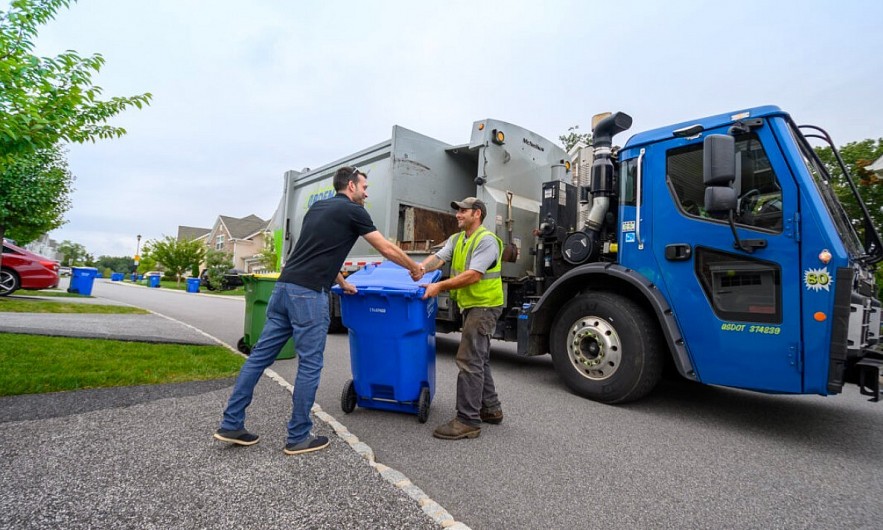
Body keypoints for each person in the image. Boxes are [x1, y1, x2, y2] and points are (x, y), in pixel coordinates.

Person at [214, 166, 424, 455]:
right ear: (351, 186)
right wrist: (414, 268)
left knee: (259, 357)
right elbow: (385, 248)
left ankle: (231, 423)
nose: (366, 192)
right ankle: (298, 436)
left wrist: (342, 282)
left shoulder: (317, 208)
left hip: (283, 290)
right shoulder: (354, 211)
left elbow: (317, 251)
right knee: (310, 364)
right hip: (308, 295)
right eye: (364, 186)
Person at [420, 197, 504, 440]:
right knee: (479, 359)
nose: (458, 214)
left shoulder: (486, 240)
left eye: (463, 211)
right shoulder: (458, 239)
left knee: (468, 360)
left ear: (476, 214)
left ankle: (467, 420)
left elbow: (473, 276)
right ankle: (491, 408)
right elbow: (439, 257)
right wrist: (419, 269)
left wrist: (439, 287)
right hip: (472, 305)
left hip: (485, 306)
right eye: (457, 210)